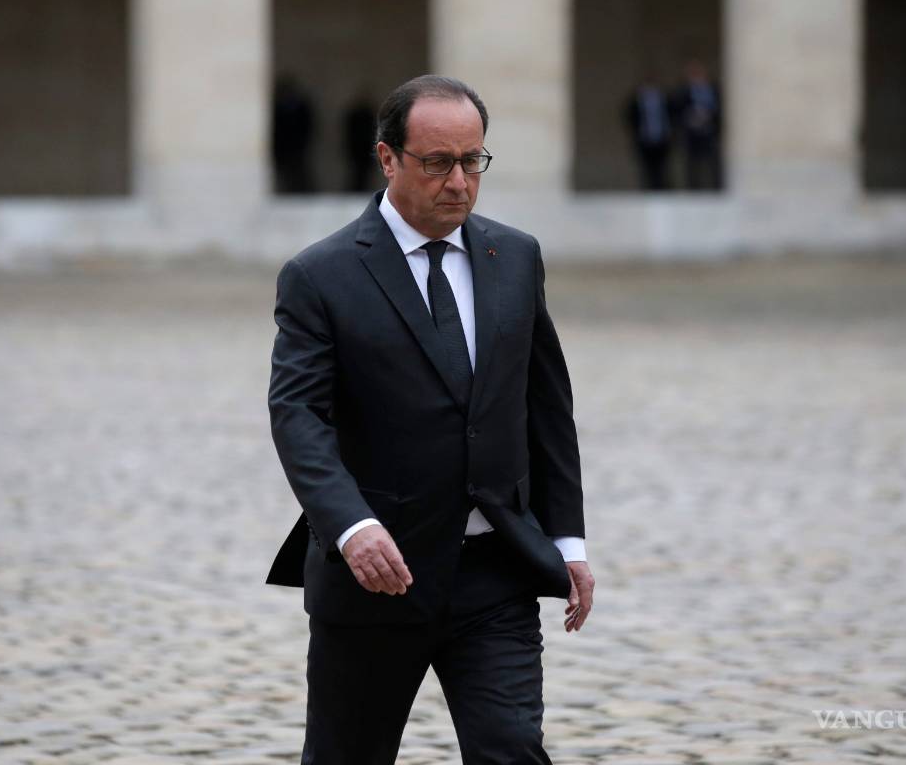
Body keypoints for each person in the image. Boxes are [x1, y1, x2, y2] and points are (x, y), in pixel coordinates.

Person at [265, 74, 595, 764]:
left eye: (473, 161)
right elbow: (298, 415)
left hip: (496, 571)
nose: (459, 182)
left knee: (512, 750)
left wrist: (568, 540)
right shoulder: (320, 275)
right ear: (387, 159)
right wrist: (351, 527)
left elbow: (546, 407)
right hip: (377, 576)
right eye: (438, 162)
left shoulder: (517, 257)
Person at [671, 59, 723, 191]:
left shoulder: (713, 89)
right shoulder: (683, 91)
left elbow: (721, 108)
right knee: (692, 163)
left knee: (713, 162)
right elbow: (676, 109)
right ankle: (693, 189)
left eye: (698, 73)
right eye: (693, 74)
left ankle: (717, 188)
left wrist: (709, 115)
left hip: (709, 131)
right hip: (691, 133)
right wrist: (690, 117)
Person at [625, 76, 675, 190]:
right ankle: (648, 189)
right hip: (644, 139)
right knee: (647, 168)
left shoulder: (665, 101)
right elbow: (630, 118)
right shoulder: (636, 103)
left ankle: (663, 189)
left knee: (662, 167)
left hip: (662, 139)